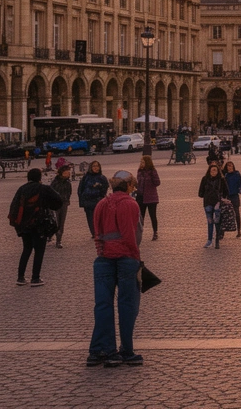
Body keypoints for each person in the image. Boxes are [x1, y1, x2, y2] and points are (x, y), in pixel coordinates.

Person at [87, 170, 144, 367]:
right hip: (126, 258)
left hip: (103, 258)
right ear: (128, 186)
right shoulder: (130, 204)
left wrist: (101, 251)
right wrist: (136, 256)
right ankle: (126, 350)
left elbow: (97, 232)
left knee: (103, 305)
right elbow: (130, 235)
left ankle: (102, 349)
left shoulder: (101, 204)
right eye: (132, 186)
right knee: (127, 304)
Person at [7, 168, 63, 286]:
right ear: (39, 177)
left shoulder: (22, 189)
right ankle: (35, 278)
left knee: (26, 249)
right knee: (39, 250)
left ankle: (20, 277)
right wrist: (48, 205)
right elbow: (58, 200)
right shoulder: (43, 188)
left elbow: (14, 207)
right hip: (39, 223)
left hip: (24, 225)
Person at [198, 163, 229, 248]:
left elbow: (226, 191)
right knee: (210, 222)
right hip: (208, 203)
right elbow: (200, 193)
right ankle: (209, 240)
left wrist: (222, 198)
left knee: (217, 221)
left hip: (217, 203)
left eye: (215, 170)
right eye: (212, 170)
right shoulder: (204, 179)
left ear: (218, 171)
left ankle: (217, 240)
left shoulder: (221, 179)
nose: (213, 172)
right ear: (209, 171)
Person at [78, 161, 109, 239]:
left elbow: (105, 189)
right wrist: (82, 201)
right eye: (94, 166)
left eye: (97, 166)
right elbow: (80, 190)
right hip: (88, 201)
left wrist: (99, 187)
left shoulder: (102, 178)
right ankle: (94, 233)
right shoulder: (85, 177)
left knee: (100, 218)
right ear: (91, 168)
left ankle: (100, 232)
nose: (96, 168)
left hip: (98, 201)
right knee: (90, 218)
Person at [137, 155, 161, 241]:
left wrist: (151, 177)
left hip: (151, 197)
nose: (141, 163)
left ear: (147, 163)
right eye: (141, 162)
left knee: (152, 216)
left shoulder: (152, 171)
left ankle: (155, 232)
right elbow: (138, 183)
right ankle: (138, 233)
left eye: (143, 162)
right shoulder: (140, 171)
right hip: (141, 197)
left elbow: (157, 182)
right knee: (140, 217)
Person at [51, 165, 74, 248]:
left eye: (69, 172)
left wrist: (67, 200)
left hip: (64, 204)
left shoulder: (68, 183)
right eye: (66, 172)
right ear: (62, 173)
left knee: (61, 222)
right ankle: (51, 235)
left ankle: (59, 240)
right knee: (56, 221)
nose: (68, 174)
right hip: (55, 204)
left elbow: (69, 193)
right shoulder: (55, 182)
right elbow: (51, 192)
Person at [223, 161, 241, 238]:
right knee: (224, 214)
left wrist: (239, 190)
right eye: (228, 166)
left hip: (235, 196)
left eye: (231, 166)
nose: (230, 168)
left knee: (237, 213)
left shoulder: (237, 174)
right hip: (227, 197)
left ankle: (239, 230)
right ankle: (222, 232)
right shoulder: (225, 175)